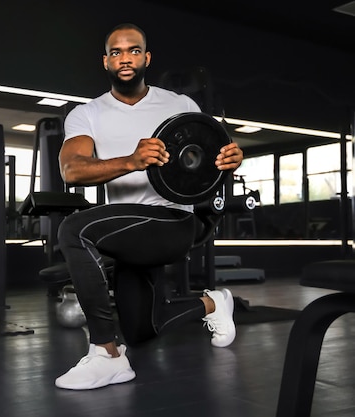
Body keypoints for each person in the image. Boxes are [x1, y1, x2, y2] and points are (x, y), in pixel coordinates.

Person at [54, 23, 244, 390]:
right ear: (106, 62)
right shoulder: (86, 114)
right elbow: (72, 170)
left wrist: (231, 158)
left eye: (134, 50)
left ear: (147, 58)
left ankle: (106, 354)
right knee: (142, 331)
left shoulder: (180, 105)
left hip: (173, 222)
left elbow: (211, 160)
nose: (125, 58)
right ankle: (214, 303)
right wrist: (131, 160)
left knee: (73, 229)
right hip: (128, 234)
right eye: (117, 52)